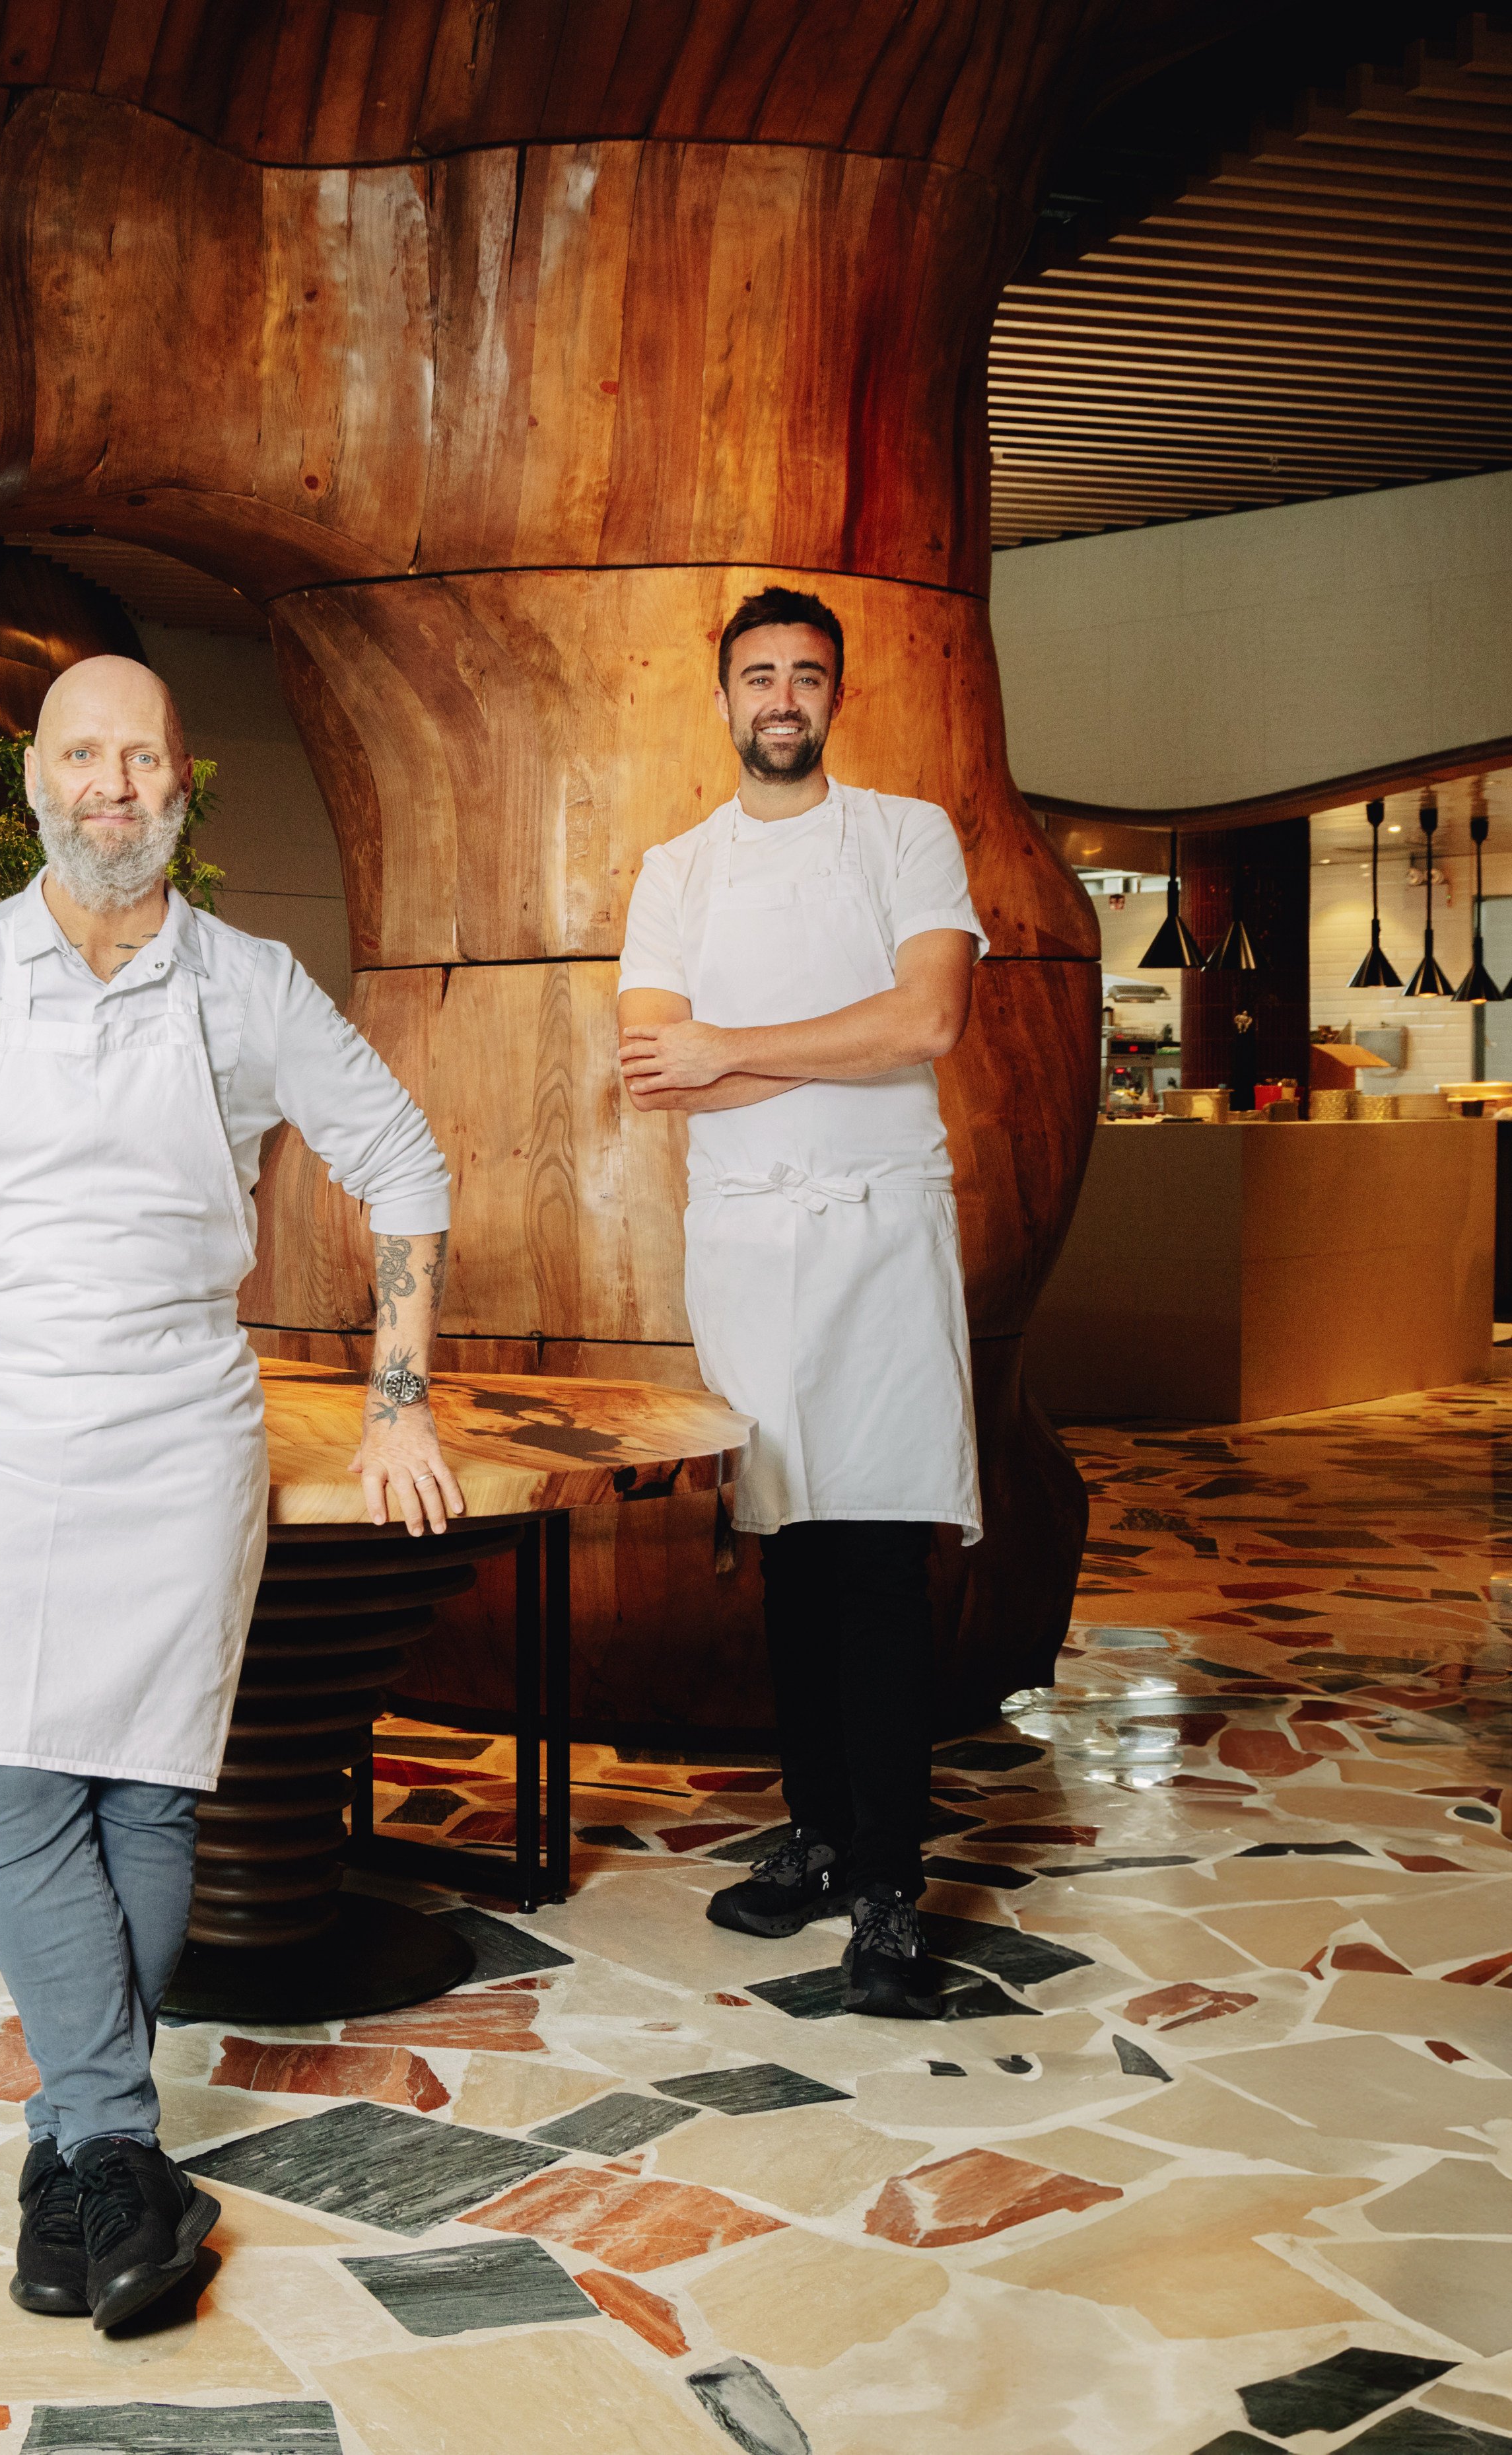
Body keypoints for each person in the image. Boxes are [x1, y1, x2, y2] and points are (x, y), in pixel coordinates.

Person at [0, 656, 463, 2330]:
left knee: (151, 1794)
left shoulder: (245, 984)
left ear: (183, 785)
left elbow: (404, 1161)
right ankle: (119, 2147)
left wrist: (399, 1404)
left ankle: (69, 2156)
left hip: (180, 1411)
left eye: (142, 756)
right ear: (34, 780)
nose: (112, 783)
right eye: (81, 754)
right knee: (29, 1790)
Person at [617, 587, 985, 2022]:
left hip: (881, 1232)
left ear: (836, 697)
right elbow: (654, 1068)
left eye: (805, 676)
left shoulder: (905, 835)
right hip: (745, 1241)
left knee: (879, 1552)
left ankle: (889, 1889)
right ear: (722, 700)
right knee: (785, 1549)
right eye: (757, 675)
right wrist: (821, 1050)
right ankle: (820, 1832)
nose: (781, 696)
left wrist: (730, 1050)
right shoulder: (676, 870)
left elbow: (929, 1021)